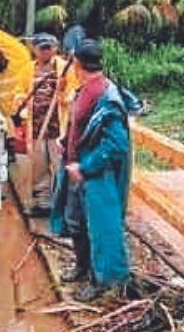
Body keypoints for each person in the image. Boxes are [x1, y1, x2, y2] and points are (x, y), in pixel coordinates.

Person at [49, 39, 135, 302]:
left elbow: (116, 144)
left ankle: (102, 282)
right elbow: (80, 126)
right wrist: (66, 142)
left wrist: (86, 167)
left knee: (99, 229)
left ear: (77, 63)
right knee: (75, 221)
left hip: (97, 176)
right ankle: (82, 268)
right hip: (76, 171)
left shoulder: (106, 97)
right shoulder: (84, 90)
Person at [23, 32, 68, 216]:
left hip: (58, 129)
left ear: (55, 49)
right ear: (34, 49)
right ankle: (43, 203)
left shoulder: (64, 69)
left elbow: (74, 94)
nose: (45, 52)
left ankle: (63, 205)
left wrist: (63, 91)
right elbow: (19, 93)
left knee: (60, 166)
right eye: (42, 48)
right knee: (39, 167)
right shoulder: (28, 70)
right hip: (36, 128)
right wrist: (23, 110)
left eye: (49, 48)